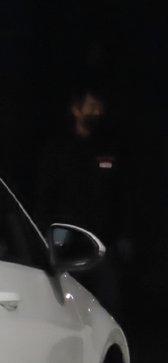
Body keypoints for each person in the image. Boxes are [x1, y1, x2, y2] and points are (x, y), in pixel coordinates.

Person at [36, 88, 129, 315]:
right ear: (76, 111)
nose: (96, 113)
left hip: (103, 242)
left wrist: (124, 234)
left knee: (107, 307)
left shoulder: (109, 147)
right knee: (70, 306)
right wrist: (47, 236)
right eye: (91, 107)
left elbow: (121, 194)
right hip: (69, 245)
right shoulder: (59, 148)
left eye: (99, 107)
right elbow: (45, 195)